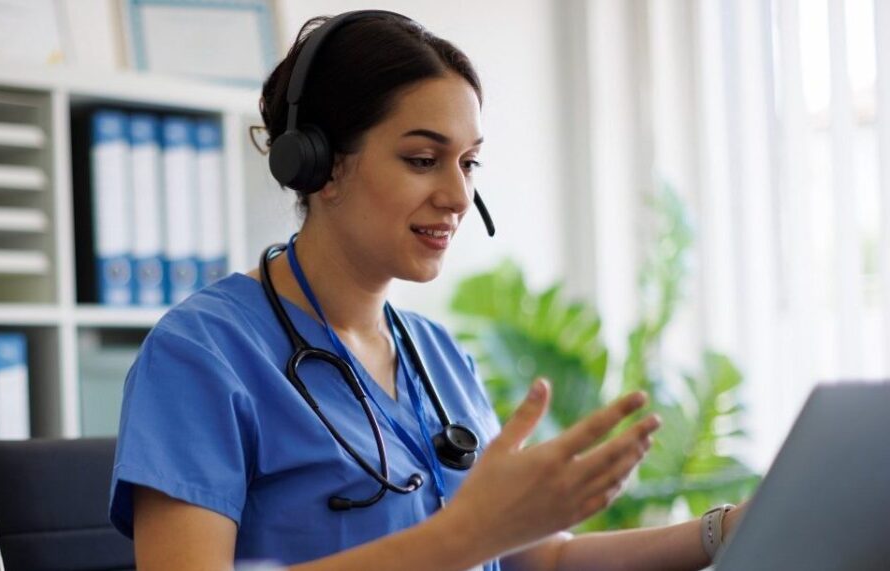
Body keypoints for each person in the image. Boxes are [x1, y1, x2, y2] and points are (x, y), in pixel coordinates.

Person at [110, 10, 745, 571]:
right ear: (319, 164)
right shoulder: (202, 355)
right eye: (422, 159)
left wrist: (722, 533)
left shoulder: (437, 357)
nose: (459, 196)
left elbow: (543, 558)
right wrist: (461, 537)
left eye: (468, 163)